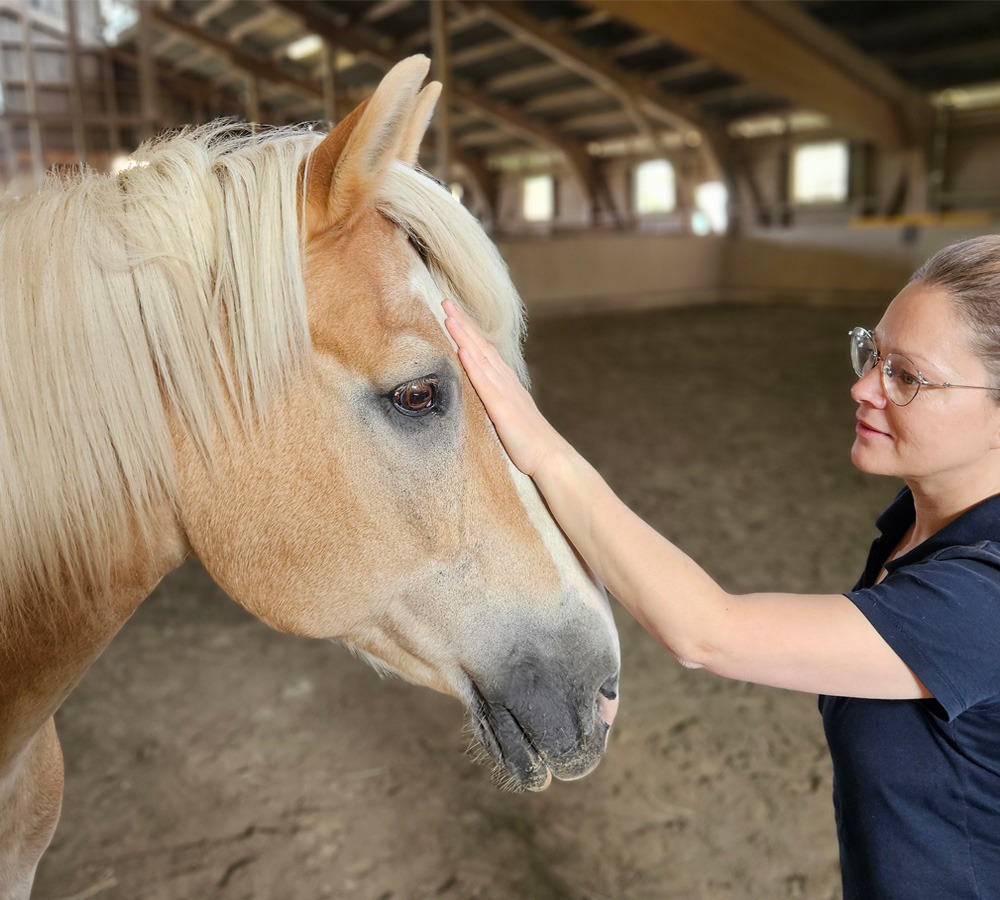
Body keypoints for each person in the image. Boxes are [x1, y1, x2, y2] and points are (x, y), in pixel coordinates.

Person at [443, 235, 1000, 900]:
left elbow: (710, 632)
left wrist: (545, 450)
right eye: (873, 353)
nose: (861, 386)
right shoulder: (913, 531)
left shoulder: (980, 593)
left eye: (906, 377)